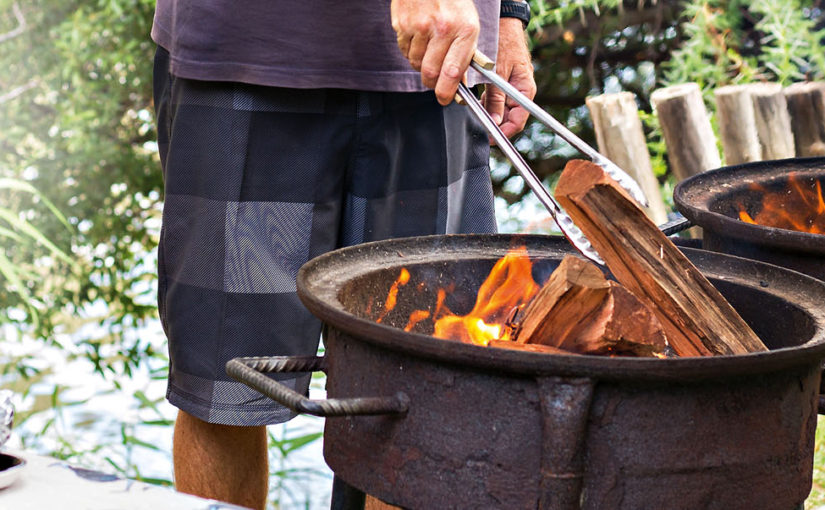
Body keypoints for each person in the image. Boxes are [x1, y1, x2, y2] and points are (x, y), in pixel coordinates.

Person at [150, 1, 536, 508]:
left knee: (422, 396)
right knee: (224, 392)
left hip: (437, 61)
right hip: (250, 50)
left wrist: (509, 14)